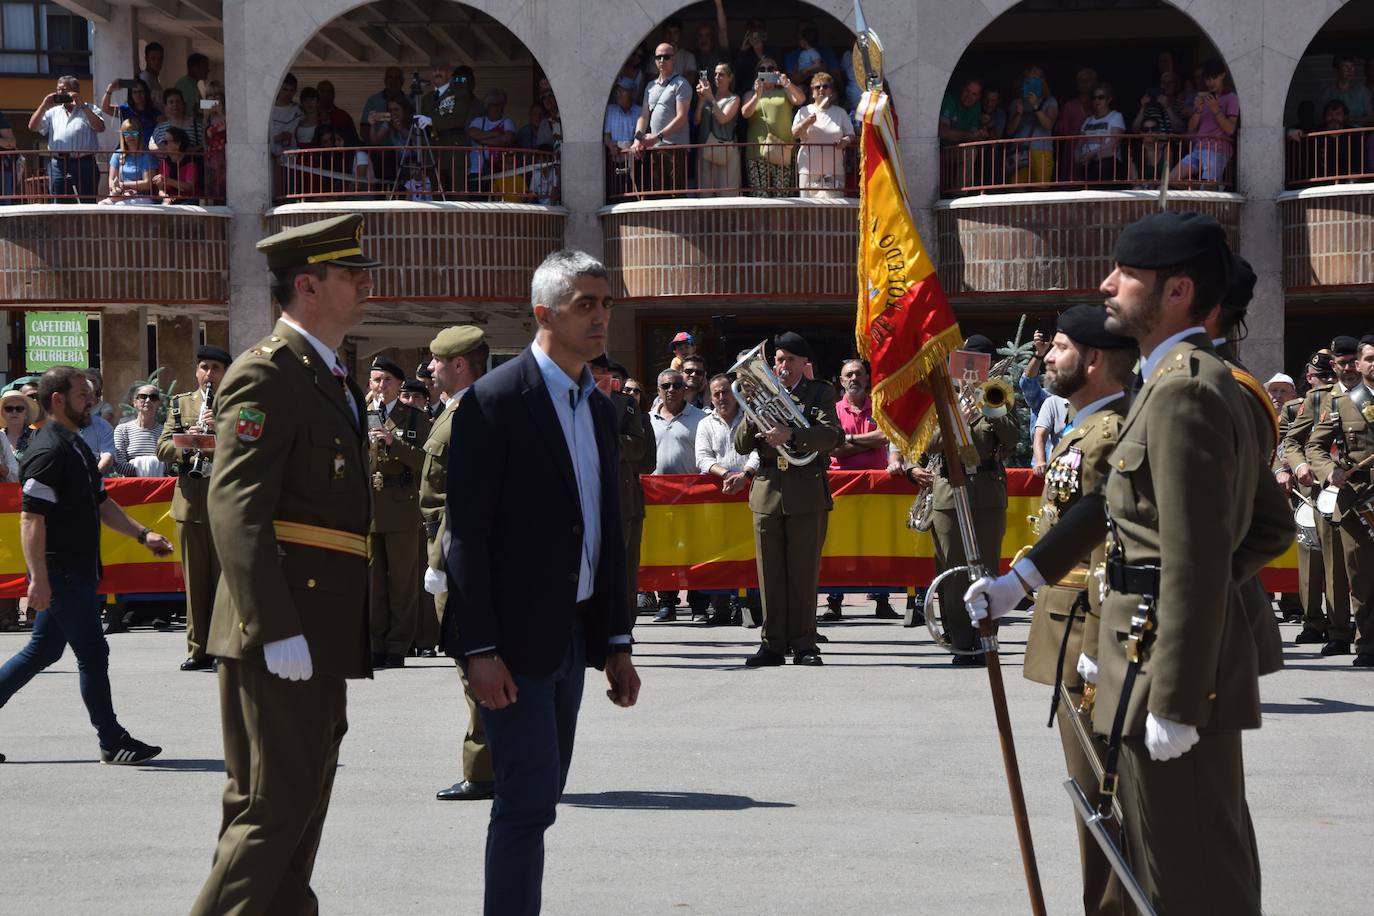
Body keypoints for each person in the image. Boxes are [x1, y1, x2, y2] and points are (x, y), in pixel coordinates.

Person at [966, 211, 1293, 913]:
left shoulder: (1184, 391)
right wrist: (1033, 580)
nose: (1109, 285)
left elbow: (1200, 557)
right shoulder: (1188, 380)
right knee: (1170, 860)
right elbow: (1263, 528)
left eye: (1127, 275)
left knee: (1191, 878)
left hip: (1163, 677)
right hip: (1145, 653)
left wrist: (1175, 687)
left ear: (1176, 291)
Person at [190, 214, 379, 915]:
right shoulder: (268, 372)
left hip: (317, 627)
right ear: (306, 284)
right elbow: (234, 508)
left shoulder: (327, 373)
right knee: (273, 810)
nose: (365, 282)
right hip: (284, 628)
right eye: (348, 273)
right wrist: (273, 625)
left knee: (295, 812)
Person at [442, 249, 639, 915]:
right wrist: (479, 649)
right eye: (585, 304)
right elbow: (464, 536)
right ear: (542, 313)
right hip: (512, 647)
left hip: (572, 643)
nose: (600, 317)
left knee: (542, 799)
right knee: (525, 806)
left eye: (605, 303)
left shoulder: (600, 408)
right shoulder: (494, 403)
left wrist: (617, 640)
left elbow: (606, 529)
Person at [1020, 305, 1137, 916]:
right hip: (1065, 629)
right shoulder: (1084, 426)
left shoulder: (1111, 432)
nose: (1046, 357)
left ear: (1093, 360)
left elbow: (1109, 552)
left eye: (1060, 346)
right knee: (1091, 799)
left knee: (1103, 798)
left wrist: (1097, 645)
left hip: (1087, 642)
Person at [0, 366, 173, 764]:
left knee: (41, 652)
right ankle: (113, 741)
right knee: (93, 654)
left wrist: (142, 535)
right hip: (60, 571)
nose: (91, 400)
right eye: (82, 395)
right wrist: (38, 581)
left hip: (76, 568)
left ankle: (113, 740)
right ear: (58, 400)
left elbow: (102, 501)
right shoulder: (48, 451)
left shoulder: (75, 445)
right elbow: (31, 519)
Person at [419, 325, 498, 803]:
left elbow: (459, 500)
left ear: (461, 365)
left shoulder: (470, 414)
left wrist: (438, 560)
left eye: (437, 361)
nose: (430, 368)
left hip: (457, 556)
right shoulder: (458, 409)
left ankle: (484, 771)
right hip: (453, 551)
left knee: (474, 668)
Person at [735, 332, 843, 666]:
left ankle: (805, 643)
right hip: (767, 491)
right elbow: (740, 445)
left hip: (806, 491)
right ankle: (772, 644)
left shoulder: (820, 392)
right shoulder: (761, 393)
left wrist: (793, 434)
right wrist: (750, 405)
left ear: (803, 364)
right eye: (778, 360)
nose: (782, 367)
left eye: (789, 361)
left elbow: (831, 436)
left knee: (803, 572)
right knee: (770, 573)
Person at [911, 334, 1019, 664]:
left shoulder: (1000, 396)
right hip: (947, 488)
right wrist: (956, 411)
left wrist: (992, 407)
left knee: (986, 567)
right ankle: (960, 641)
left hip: (986, 489)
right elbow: (929, 445)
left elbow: (1013, 438)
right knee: (953, 568)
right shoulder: (942, 396)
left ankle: (985, 639)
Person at [156, 345, 231, 671]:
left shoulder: (239, 403)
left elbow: (252, 444)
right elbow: (162, 447)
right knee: (196, 583)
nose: (209, 374)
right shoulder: (180, 404)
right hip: (189, 500)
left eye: (215, 368)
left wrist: (220, 431)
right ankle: (198, 649)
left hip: (225, 502)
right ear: (197, 371)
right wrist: (189, 442)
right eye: (204, 367)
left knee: (224, 583)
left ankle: (224, 650)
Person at [1306, 335, 1374, 668]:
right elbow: (1314, 447)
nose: (1373, 365)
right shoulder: (1340, 404)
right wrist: (1328, 470)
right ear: (1358, 364)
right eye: (1369, 359)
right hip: (1357, 501)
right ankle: (1367, 645)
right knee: (1361, 576)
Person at [366, 354, 431, 669]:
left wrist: (395, 444)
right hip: (370, 506)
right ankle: (375, 642)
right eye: (376, 380)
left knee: (403, 582)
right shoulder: (360, 415)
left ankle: (398, 645)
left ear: (399, 385)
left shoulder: (415, 419)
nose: (381, 386)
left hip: (402, 504)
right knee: (373, 580)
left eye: (387, 381)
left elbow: (427, 463)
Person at [1283, 350, 1350, 647]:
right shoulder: (1314, 400)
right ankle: (1317, 621)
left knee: (1347, 564)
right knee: (1317, 559)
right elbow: (1291, 441)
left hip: (1359, 490)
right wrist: (1296, 467)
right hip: (1320, 492)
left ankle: (1347, 627)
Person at [824, 359, 896, 620]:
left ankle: (882, 600)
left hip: (875, 487)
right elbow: (831, 446)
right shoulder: (832, 410)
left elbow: (887, 436)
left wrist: (850, 440)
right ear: (841, 381)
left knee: (876, 545)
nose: (853, 378)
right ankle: (834, 600)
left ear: (867, 379)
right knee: (838, 546)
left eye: (858, 374)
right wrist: (869, 443)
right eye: (848, 375)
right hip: (840, 488)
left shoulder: (880, 408)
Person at [649, 367, 708, 622]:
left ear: (685, 389)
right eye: (666, 386)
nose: (671, 390)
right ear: (658, 390)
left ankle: (698, 605)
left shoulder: (700, 418)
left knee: (695, 552)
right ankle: (667, 603)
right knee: (665, 552)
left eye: (676, 385)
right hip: (659, 500)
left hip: (693, 498)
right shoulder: (647, 419)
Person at [29, 75, 104, 201]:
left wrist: (82, 106)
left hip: (84, 163)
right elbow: (32, 127)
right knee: (58, 201)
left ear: (75, 91)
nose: (59, 93)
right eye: (58, 90)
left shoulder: (90, 109)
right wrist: (43, 105)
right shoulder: (53, 112)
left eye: (63, 90)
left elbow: (100, 127)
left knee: (87, 201)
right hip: (58, 163)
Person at [631, 42, 693, 194]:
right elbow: (643, 116)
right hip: (655, 149)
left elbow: (682, 117)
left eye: (666, 57)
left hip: (675, 149)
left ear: (674, 59)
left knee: (676, 197)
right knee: (657, 195)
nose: (662, 60)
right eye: (658, 57)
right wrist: (637, 139)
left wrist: (657, 137)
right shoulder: (650, 86)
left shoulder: (681, 84)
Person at [741, 56, 805, 197]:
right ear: (757, 73)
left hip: (783, 151)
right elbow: (745, 113)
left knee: (782, 197)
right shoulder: (750, 94)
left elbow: (800, 99)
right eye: (762, 69)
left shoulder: (784, 91)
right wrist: (757, 95)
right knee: (760, 197)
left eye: (771, 69)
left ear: (776, 71)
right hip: (757, 153)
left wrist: (786, 83)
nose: (766, 71)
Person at [1171, 58, 1238, 185]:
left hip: (1218, 151)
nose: (1211, 82)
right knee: (1171, 180)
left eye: (1214, 77)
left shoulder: (1231, 98)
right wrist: (1197, 111)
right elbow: (1191, 128)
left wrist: (1215, 109)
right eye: (1207, 79)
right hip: (1198, 149)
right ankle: (1201, 191)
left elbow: (1230, 129)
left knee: (1208, 189)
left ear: (1223, 75)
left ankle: (1209, 190)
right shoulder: (1202, 96)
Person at [793, 72, 854, 198]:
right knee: (808, 211)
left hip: (834, 171)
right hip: (809, 170)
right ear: (812, 91)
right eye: (817, 87)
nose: (821, 89)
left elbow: (851, 134)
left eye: (825, 87)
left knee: (833, 211)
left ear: (831, 91)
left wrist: (845, 141)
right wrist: (806, 122)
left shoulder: (840, 113)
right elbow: (795, 133)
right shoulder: (804, 111)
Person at [1005, 66, 1057, 185]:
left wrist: (1035, 106)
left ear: (1042, 82)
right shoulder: (1016, 102)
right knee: (1016, 189)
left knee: (1040, 189)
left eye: (1036, 79)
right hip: (1018, 151)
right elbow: (1009, 131)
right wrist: (1018, 114)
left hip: (1042, 150)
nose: (1032, 83)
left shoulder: (1050, 101)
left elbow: (1049, 125)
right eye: (1028, 80)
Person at [696, 63, 742, 195]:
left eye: (721, 74)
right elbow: (696, 121)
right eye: (715, 74)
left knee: (727, 194)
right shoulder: (707, 97)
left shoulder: (734, 98)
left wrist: (710, 97)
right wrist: (701, 100)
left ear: (730, 78)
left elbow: (723, 119)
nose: (717, 77)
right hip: (705, 149)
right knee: (705, 195)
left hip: (726, 150)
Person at [466, 90, 517, 195]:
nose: (498, 108)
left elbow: (507, 140)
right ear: (488, 106)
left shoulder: (508, 122)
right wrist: (496, 134)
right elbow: (472, 133)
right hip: (476, 170)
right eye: (494, 104)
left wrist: (482, 139)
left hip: (499, 170)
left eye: (500, 105)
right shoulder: (478, 121)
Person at [1074, 82, 1125, 183]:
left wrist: (1092, 154)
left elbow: (1115, 142)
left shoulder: (1116, 116)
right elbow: (1079, 144)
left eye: (1100, 97)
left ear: (1109, 99)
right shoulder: (1088, 120)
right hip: (1087, 162)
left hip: (1107, 162)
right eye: (1094, 97)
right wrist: (1078, 158)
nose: (1096, 100)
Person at [113, 384, 164, 476]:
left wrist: (135, 463)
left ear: (158, 403)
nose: (148, 400)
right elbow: (119, 464)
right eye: (142, 397)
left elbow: (168, 464)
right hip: (131, 486)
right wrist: (151, 467)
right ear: (134, 402)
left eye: (153, 397)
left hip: (159, 486)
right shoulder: (122, 430)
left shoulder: (164, 431)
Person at [103, 119, 157, 204]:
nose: (130, 136)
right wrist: (115, 189)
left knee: (119, 206)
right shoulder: (117, 154)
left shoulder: (147, 156)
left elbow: (148, 183)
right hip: (120, 194)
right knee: (102, 205)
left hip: (142, 196)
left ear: (139, 134)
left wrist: (124, 184)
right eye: (127, 133)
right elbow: (112, 179)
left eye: (134, 133)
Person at [99, 78, 160, 143]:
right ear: (131, 95)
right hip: (127, 148)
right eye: (135, 92)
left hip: (147, 150)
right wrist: (109, 90)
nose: (138, 95)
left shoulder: (155, 113)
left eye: (141, 91)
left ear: (146, 93)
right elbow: (105, 109)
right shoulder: (126, 109)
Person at [359, 66, 406, 144]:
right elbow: (364, 130)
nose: (393, 81)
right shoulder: (373, 100)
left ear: (402, 81)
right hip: (381, 152)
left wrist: (401, 129)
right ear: (385, 80)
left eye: (397, 78)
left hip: (409, 153)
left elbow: (419, 137)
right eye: (390, 77)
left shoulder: (411, 100)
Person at [153, 126, 199, 204]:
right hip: (169, 201)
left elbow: (189, 187)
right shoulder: (164, 163)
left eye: (166, 142)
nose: (163, 145)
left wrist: (167, 180)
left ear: (177, 144)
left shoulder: (190, 163)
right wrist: (165, 197)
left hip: (188, 201)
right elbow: (160, 189)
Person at [269, 73, 302, 155]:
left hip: (290, 160)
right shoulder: (267, 110)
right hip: (268, 160)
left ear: (295, 91)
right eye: (285, 89)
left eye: (291, 90)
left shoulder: (298, 110)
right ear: (278, 88)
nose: (288, 94)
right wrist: (276, 138)